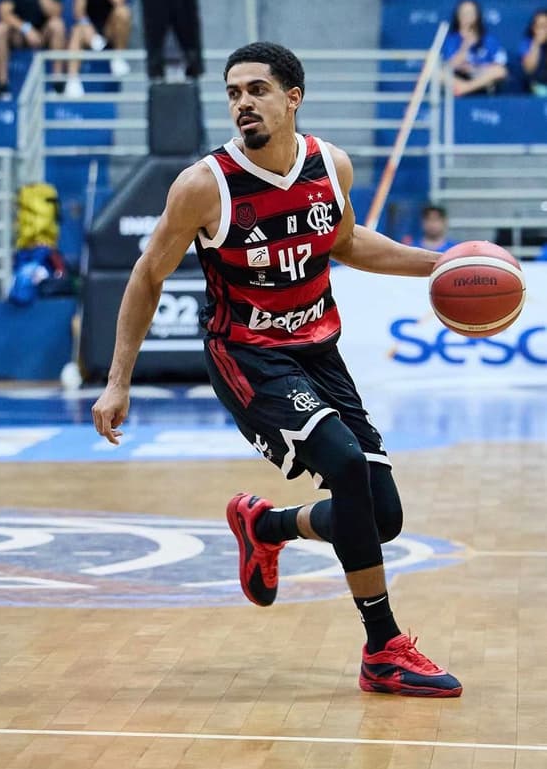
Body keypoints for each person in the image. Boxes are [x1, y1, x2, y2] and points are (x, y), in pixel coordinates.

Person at [92, 41, 462, 698]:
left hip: (320, 352)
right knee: (345, 466)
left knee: (381, 516)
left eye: (257, 90)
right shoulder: (204, 186)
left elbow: (347, 243)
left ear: (292, 98)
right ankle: (383, 647)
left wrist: (436, 262)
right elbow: (148, 275)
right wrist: (118, 378)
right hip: (247, 356)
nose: (242, 104)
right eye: (233, 93)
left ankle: (266, 524)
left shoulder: (330, 165)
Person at [64, 0, 132, 98]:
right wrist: (89, 30)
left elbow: (119, 1)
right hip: (90, 32)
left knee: (123, 12)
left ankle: (118, 58)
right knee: (77, 29)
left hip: (112, 30)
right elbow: (78, 11)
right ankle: (72, 81)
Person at [441, 0, 508, 97]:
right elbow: (450, 66)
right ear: (458, 16)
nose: (467, 16)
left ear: (477, 15)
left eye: (470, 12)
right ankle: (462, 87)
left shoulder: (488, 39)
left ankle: (465, 88)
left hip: (480, 78)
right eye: (463, 13)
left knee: (500, 71)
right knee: (435, 70)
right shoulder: (451, 39)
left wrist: (475, 68)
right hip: (458, 77)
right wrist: (465, 46)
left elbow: (499, 63)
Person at [519, 8, 547, 96]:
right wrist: (536, 44)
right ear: (533, 28)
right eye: (540, 26)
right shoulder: (527, 44)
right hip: (536, 86)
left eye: (546, 26)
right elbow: (529, 69)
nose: (543, 30)